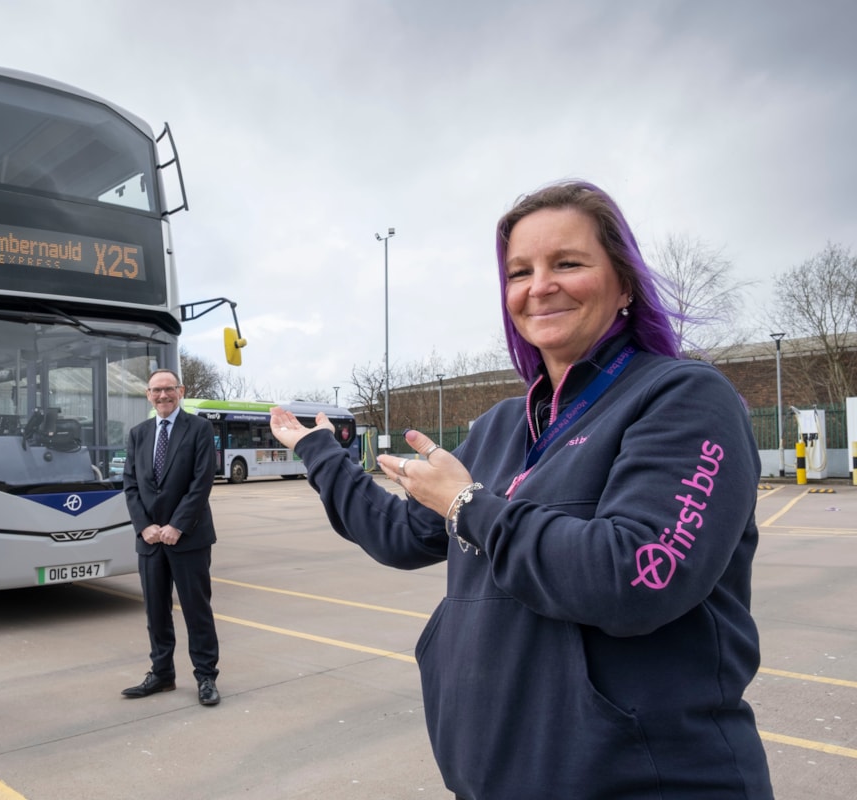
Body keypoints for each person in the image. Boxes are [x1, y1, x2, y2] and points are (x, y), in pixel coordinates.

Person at [270, 181, 773, 799]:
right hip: (496, 777)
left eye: (568, 263)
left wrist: (468, 504)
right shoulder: (503, 424)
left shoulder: (684, 397)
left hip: (643, 778)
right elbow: (402, 536)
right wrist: (319, 453)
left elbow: (639, 576)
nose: (539, 286)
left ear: (623, 284)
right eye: (519, 271)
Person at [121, 369, 222, 706]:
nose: (162, 396)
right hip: (150, 540)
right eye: (156, 391)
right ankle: (162, 674)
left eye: (168, 389)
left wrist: (177, 525)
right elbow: (131, 485)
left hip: (188, 537)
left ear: (181, 391)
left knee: (196, 609)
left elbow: (201, 481)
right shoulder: (138, 433)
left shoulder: (200, 428)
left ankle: (206, 676)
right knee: (156, 611)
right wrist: (144, 526)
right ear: (148, 395)